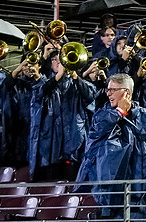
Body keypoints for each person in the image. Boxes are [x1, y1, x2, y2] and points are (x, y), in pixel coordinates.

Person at [75, 73, 146, 222]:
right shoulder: (101, 116)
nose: (108, 93)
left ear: (126, 93)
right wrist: (119, 113)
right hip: (108, 192)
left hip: (139, 190)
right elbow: (93, 143)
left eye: (113, 90)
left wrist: (137, 150)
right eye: (108, 89)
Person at [28, 50, 97, 181]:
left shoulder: (79, 82)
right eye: (54, 59)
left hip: (74, 139)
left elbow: (90, 96)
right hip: (50, 141)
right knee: (51, 179)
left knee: (72, 179)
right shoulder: (45, 83)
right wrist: (58, 76)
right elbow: (39, 95)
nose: (59, 62)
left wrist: (75, 76)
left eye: (61, 59)